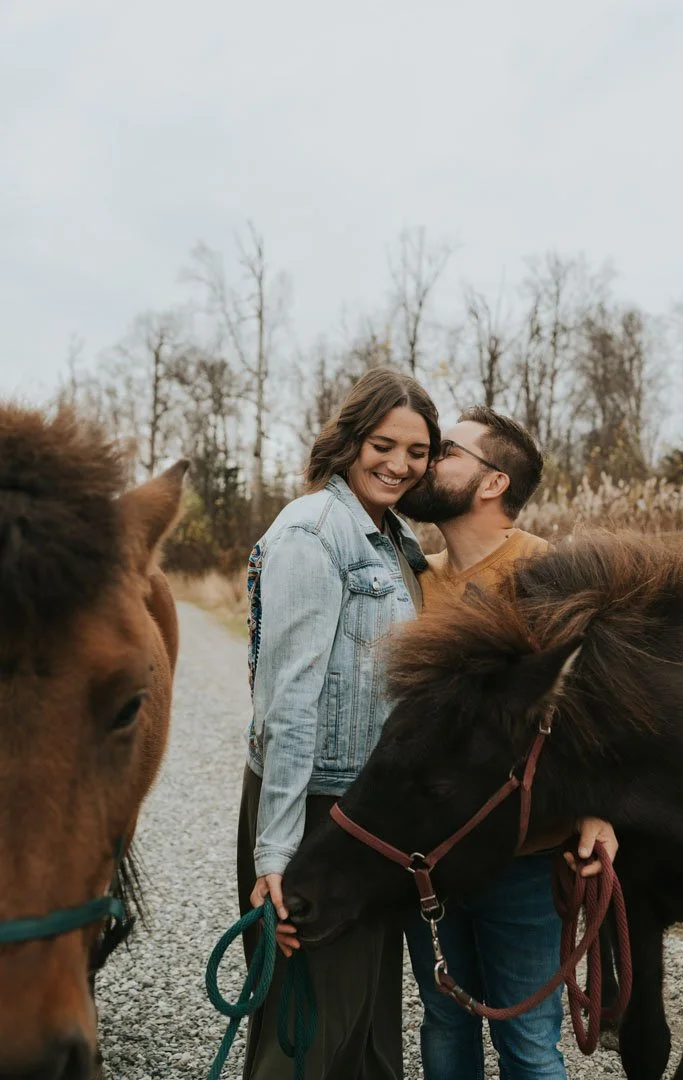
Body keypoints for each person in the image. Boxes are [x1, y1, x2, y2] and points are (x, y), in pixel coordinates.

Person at [398, 405, 619, 1080]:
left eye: (447, 452)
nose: (427, 460)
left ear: (493, 483)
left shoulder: (551, 575)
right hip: (428, 855)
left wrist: (594, 809)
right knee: (444, 1020)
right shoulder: (411, 577)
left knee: (526, 1040)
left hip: (522, 856)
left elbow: (599, 706)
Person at [236, 368, 441, 1080]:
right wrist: (276, 851)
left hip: (369, 807)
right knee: (308, 1026)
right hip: (318, 807)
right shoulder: (312, 532)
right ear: (351, 440)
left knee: (366, 1023)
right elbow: (288, 704)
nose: (399, 464)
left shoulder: (391, 537)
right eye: (383, 445)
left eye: (416, 452)